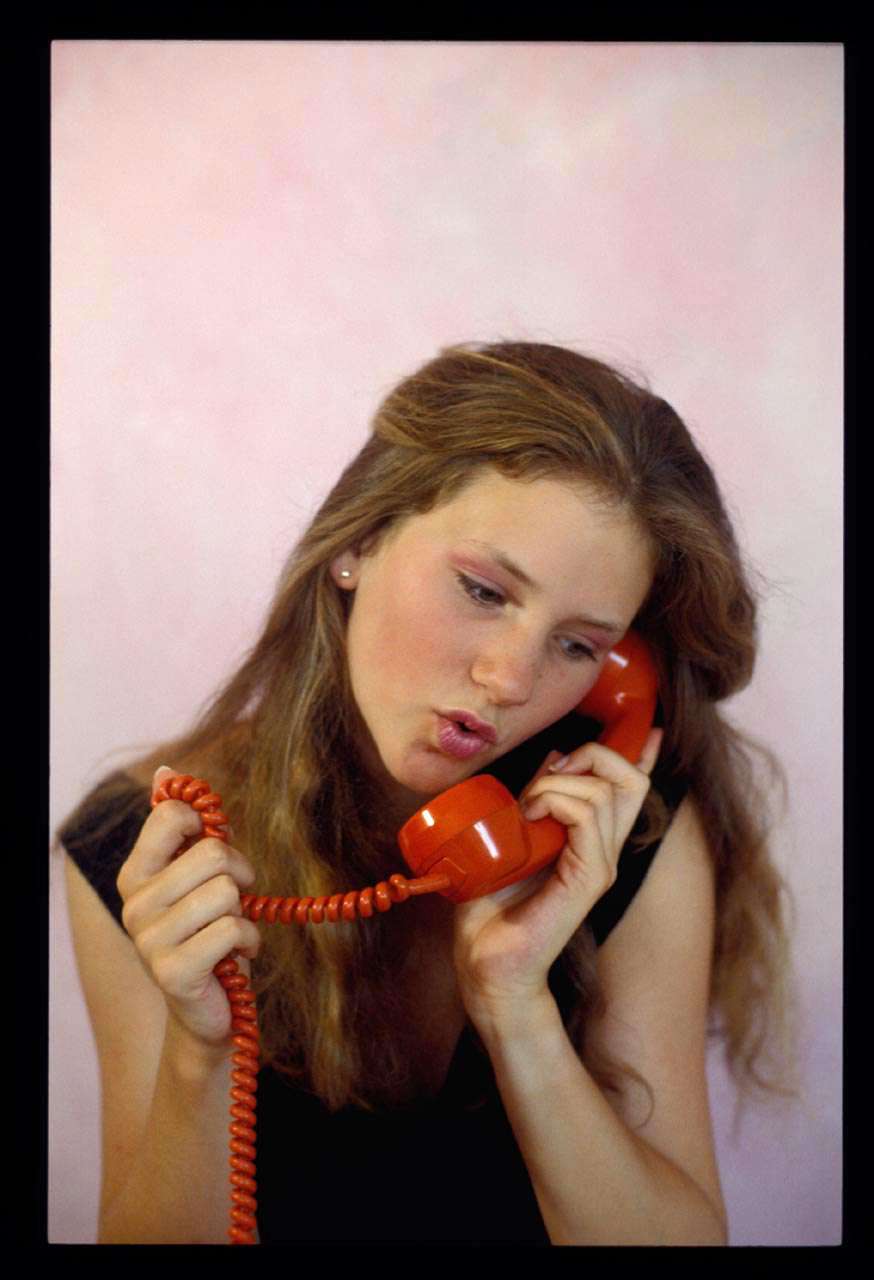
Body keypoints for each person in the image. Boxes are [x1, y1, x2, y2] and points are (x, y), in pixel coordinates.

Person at [59, 341, 792, 1245]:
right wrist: (197, 1054)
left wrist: (516, 1010)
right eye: (483, 591)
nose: (510, 679)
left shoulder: (621, 835)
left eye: (577, 646)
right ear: (358, 542)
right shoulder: (145, 847)